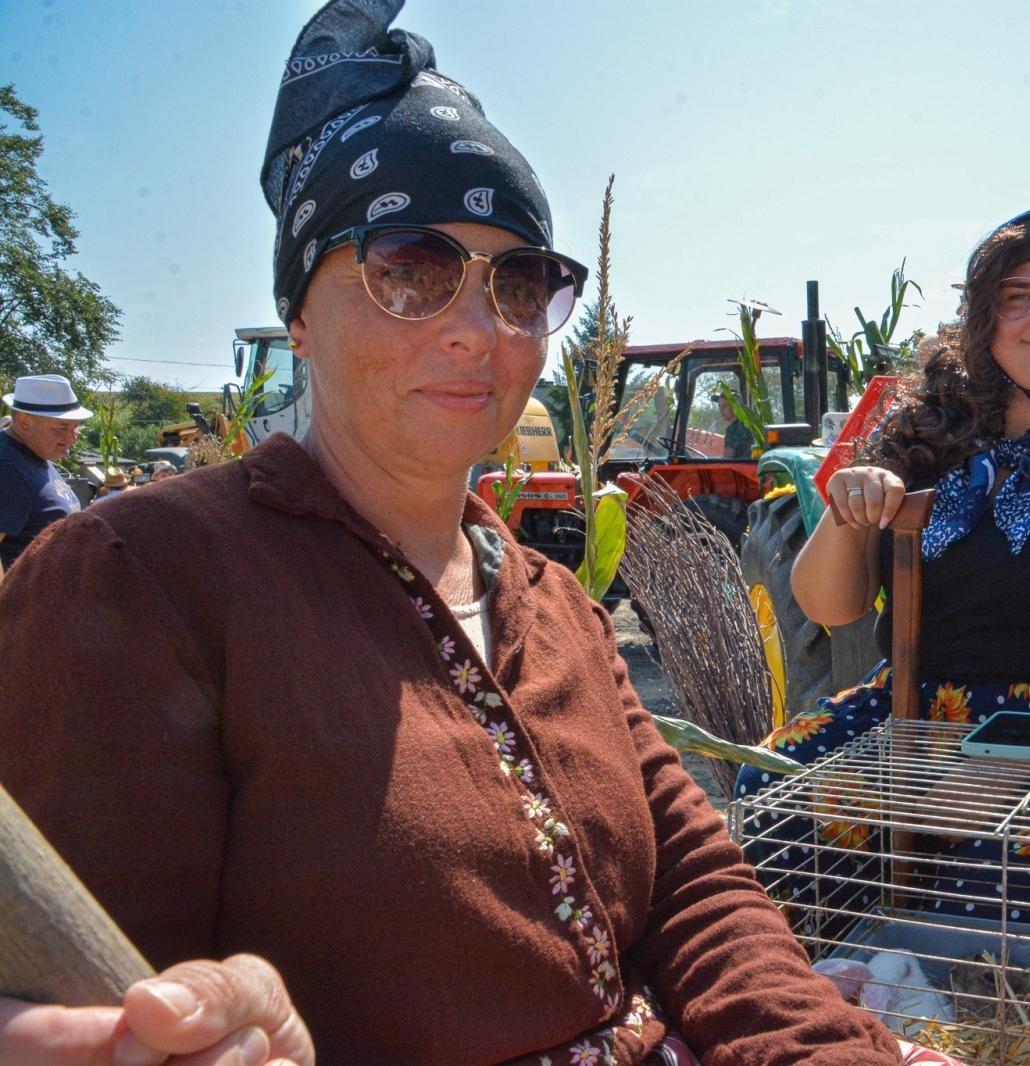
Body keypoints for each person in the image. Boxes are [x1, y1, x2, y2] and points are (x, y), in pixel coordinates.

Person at [0, 5, 963, 1065]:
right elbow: (85, 988)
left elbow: (695, 889)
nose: (476, 327)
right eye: (409, 268)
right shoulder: (143, 579)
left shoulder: (554, 604)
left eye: (517, 283)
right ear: (301, 318)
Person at [733, 208, 1030, 934]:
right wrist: (848, 507)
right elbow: (828, 608)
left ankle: (944, 1010)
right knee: (775, 789)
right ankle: (840, 992)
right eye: (1020, 296)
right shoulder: (923, 434)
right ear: (984, 317)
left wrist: (1003, 764)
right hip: (919, 716)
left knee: (999, 876)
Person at [0, 373, 93, 581]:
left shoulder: (34, 457)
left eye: (75, 427)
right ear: (24, 421)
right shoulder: (7, 468)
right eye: (61, 428)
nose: (72, 437)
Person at [717, 391, 755, 458]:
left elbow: (728, 455)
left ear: (735, 406)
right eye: (719, 406)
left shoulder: (743, 426)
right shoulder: (732, 427)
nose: (721, 410)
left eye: (724, 405)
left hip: (743, 467)